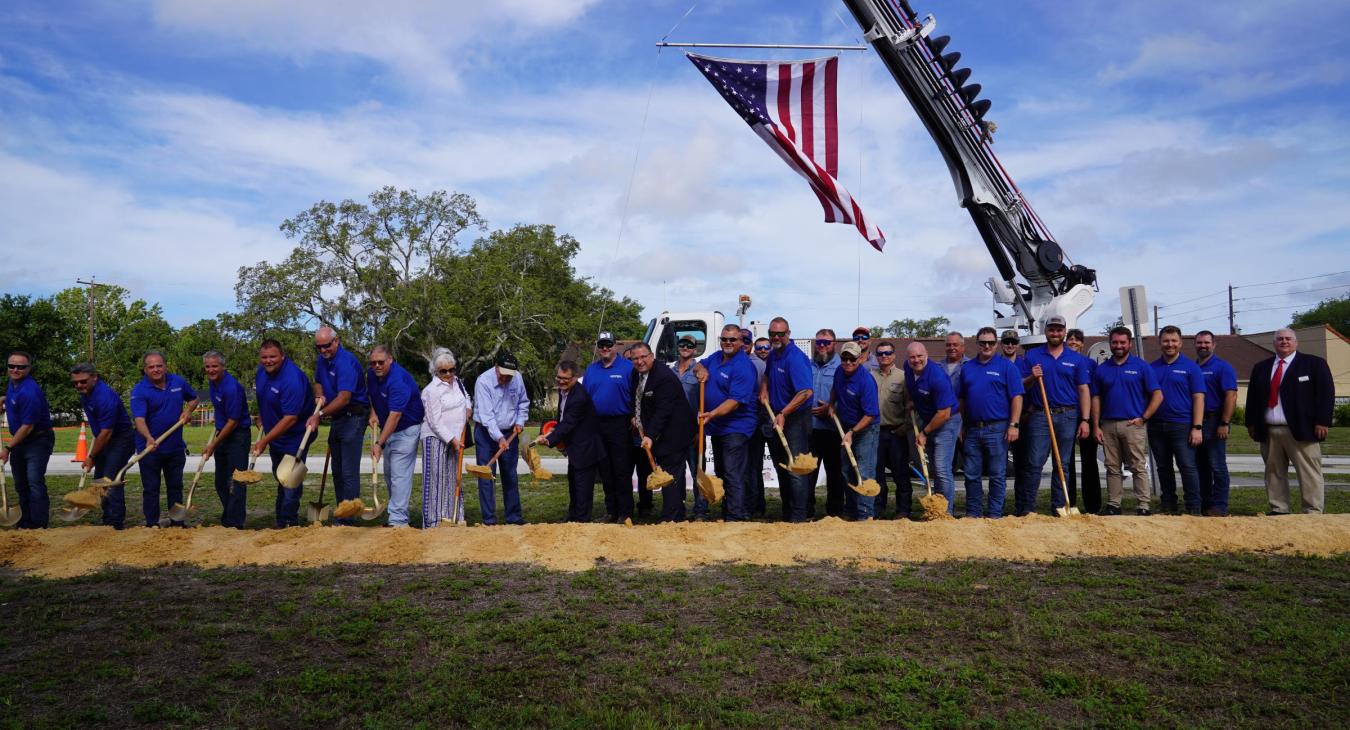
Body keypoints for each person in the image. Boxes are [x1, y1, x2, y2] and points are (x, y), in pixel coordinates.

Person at [1244, 328, 1335, 515]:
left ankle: (1312, 509)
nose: (1284, 342)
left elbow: (1326, 395)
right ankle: (1279, 508)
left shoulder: (1313, 364)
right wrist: (1251, 423)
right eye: (1279, 339)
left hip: (1302, 429)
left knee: (1309, 473)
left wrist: (1323, 421)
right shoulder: (1261, 367)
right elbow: (1252, 398)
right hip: (1269, 430)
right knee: (1274, 472)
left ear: (1296, 342)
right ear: (1274, 343)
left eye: (1288, 339)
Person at [1019, 316, 1090, 516]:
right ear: (1046, 331)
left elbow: (1083, 390)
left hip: (1067, 415)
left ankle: (1059, 506)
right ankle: (1028, 509)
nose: (1055, 333)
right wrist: (1032, 376)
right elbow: (1021, 385)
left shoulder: (1076, 359)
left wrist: (1085, 420)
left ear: (1064, 332)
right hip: (1040, 416)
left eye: (1059, 330)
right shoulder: (1033, 356)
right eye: (1052, 329)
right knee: (1034, 463)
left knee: (1063, 464)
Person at [1091, 327, 1162, 515]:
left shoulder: (1141, 366)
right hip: (1108, 424)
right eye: (1115, 342)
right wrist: (1096, 425)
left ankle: (1143, 505)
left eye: (1123, 342)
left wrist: (1144, 418)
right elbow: (1096, 398)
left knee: (1138, 466)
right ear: (1110, 344)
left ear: (1129, 343)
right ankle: (1114, 504)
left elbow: (1157, 395)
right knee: (1112, 467)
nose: (1119, 346)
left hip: (1133, 424)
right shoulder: (1102, 369)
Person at [695, 324, 758, 521]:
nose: (727, 343)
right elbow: (698, 364)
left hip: (736, 426)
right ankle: (729, 510)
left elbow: (734, 402)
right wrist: (700, 370)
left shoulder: (744, 366)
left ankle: (736, 515)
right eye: (724, 339)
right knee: (722, 470)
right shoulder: (715, 357)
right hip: (717, 427)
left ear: (740, 342)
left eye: (732, 339)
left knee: (733, 472)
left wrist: (711, 414)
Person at [958, 327, 1024, 518]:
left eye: (990, 342)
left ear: (996, 344)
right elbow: (962, 398)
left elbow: (1017, 397)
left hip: (997, 428)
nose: (986, 346)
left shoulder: (1007, 367)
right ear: (977, 344)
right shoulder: (968, 368)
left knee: (997, 474)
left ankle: (995, 514)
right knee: (971, 474)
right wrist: (961, 425)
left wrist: (1014, 424)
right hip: (972, 428)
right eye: (982, 342)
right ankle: (974, 513)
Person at [130, 350, 199, 527]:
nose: (156, 369)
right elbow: (139, 419)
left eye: (159, 365)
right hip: (149, 448)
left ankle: (177, 523)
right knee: (151, 488)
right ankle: (152, 523)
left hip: (175, 447)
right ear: (145, 370)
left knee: (175, 487)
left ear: (165, 366)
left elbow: (193, 399)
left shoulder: (178, 382)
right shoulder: (139, 390)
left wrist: (187, 411)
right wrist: (148, 437)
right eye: (151, 367)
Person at [310, 326, 370, 526]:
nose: (323, 350)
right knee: (336, 468)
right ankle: (342, 512)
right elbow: (318, 380)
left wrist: (319, 414)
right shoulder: (322, 360)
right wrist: (319, 395)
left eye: (326, 345)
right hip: (338, 418)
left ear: (337, 341)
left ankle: (349, 518)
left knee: (348, 470)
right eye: (318, 347)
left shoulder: (346, 363)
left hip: (354, 416)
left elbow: (344, 398)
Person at [253, 339, 315, 528]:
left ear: (282, 356)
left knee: (290, 480)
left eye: (272, 357)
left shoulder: (291, 379)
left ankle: (289, 522)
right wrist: (262, 417)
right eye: (264, 357)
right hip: (276, 436)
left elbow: (290, 418)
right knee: (279, 477)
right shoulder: (261, 373)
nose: (268, 361)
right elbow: (263, 398)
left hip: (296, 436)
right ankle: (281, 518)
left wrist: (264, 440)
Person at [629, 342, 694, 522]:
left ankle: (672, 518)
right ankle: (675, 512)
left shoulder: (664, 377)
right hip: (657, 432)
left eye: (643, 357)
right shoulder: (636, 374)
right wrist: (634, 416)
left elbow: (663, 410)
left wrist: (650, 435)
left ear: (652, 356)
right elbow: (633, 397)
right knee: (666, 471)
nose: (640, 361)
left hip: (675, 432)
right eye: (635, 358)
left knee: (671, 473)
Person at [1148, 325, 1206, 515]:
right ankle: (1168, 504)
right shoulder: (1152, 368)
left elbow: (1199, 398)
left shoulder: (1191, 368)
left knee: (1187, 466)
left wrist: (1197, 427)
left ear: (1180, 343)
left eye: (1173, 341)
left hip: (1182, 425)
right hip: (1156, 425)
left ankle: (1193, 506)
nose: (1170, 344)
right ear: (1160, 343)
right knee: (1163, 468)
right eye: (1166, 341)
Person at [761, 317, 814, 522]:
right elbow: (767, 375)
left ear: (788, 334)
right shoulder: (774, 355)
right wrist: (764, 388)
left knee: (795, 469)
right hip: (777, 414)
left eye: (780, 334)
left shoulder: (795, 358)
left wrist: (784, 413)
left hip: (795, 418)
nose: (776, 337)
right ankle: (788, 512)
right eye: (772, 334)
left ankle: (799, 516)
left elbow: (805, 392)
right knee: (781, 465)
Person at [537, 361, 603, 521]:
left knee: (583, 490)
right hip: (574, 449)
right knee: (574, 486)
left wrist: (549, 439)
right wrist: (553, 430)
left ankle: (581, 522)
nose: (561, 381)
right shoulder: (564, 391)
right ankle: (572, 519)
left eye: (565, 378)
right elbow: (563, 419)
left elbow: (569, 423)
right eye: (559, 377)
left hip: (585, 449)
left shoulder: (579, 397)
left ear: (575, 377)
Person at [367, 345, 425, 528]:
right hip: (389, 428)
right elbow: (374, 396)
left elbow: (395, 416)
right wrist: (373, 413)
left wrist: (379, 443)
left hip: (407, 429)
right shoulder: (372, 374)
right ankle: (398, 516)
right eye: (373, 362)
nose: (376, 365)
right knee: (390, 474)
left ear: (390, 360)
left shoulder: (398, 380)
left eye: (381, 362)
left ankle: (398, 521)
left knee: (399, 475)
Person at [71, 363, 134, 529]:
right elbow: (101, 431)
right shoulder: (86, 394)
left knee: (110, 479)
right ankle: (108, 519)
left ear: (94, 377)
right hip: (105, 437)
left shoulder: (105, 397)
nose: (79, 385)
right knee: (100, 479)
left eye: (83, 381)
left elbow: (107, 432)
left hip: (121, 439)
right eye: (75, 383)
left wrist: (91, 456)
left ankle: (115, 523)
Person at [473, 351, 529, 525]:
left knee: (510, 475)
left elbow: (523, 402)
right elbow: (487, 416)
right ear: (496, 367)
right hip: (485, 433)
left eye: (509, 377)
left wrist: (520, 421)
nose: (506, 379)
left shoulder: (517, 378)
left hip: (509, 432)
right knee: (486, 476)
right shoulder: (483, 382)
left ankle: (513, 517)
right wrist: (498, 438)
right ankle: (489, 519)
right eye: (503, 375)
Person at [584, 331, 635, 523]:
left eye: (609, 344)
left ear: (616, 346)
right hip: (597, 424)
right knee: (605, 470)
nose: (605, 348)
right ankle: (611, 511)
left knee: (621, 470)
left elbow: (636, 396)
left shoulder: (628, 368)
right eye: (601, 345)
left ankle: (625, 512)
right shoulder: (591, 370)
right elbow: (586, 399)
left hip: (620, 424)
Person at [905, 341, 959, 515]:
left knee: (942, 469)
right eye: (912, 357)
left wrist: (924, 433)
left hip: (946, 421)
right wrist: (912, 400)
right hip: (929, 419)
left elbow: (944, 413)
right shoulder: (908, 367)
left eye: (920, 356)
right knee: (933, 468)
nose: (916, 360)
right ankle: (935, 507)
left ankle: (945, 513)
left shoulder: (937, 377)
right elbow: (909, 384)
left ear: (927, 355)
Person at [2, 351, 53, 529]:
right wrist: (4, 400)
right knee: (21, 484)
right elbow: (14, 399)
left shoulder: (30, 391)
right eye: (11, 366)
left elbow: (28, 427)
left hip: (37, 440)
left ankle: (38, 526)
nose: (15, 369)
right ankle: (25, 522)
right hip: (20, 441)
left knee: (34, 481)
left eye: (21, 367)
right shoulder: (13, 383)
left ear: (29, 369)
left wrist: (8, 448)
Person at [421, 348, 470, 528]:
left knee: (453, 479)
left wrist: (468, 409)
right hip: (436, 438)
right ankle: (433, 522)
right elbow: (435, 422)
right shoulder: (431, 391)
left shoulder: (458, 383)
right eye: (444, 371)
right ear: (436, 371)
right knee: (436, 480)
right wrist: (453, 440)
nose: (449, 374)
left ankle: (455, 517)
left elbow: (466, 399)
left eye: (451, 370)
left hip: (456, 438)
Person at [830, 342, 880, 519]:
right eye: (845, 358)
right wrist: (831, 404)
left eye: (852, 358)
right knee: (847, 470)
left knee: (864, 472)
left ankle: (865, 515)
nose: (848, 362)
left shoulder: (866, 381)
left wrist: (852, 432)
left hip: (866, 429)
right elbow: (835, 389)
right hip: (845, 426)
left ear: (860, 358)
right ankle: (850, 512)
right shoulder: (839, 372)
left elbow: (870, 414)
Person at [201, 351, 251, 529]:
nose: (211, 370)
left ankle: (235, 523)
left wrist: (213, 445)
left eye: (215, 366)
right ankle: (230, 517)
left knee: (237, 481)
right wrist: (215, 440)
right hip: (222, 433)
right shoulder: (213, 383)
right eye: (208, 366)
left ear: (223, 366)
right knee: (221, 481)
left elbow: (233, 421)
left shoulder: (231, 387)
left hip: (238, 436)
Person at [1194, 330, 1238, 516]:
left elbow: (1231, 395)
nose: (1203, 346)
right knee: (1200, 466)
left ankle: (1220, 505)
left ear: (1214, 344)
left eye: (1206, 342)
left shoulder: (1222, 367)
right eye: (1199, 343)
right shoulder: (1193, 366)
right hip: (1195, 423)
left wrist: (1225, 422)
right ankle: (1205, 503)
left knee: (1217, 465)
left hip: (1214, 421)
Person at [869, 340, 912, 519]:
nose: (884, 356)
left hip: (896, 432)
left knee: (900, 474)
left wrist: (906, 427)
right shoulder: (869, 376)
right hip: (875, 433)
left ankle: (903, 511)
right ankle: (878, 510)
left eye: (887, 353)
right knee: (876, 474)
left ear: (894, 355)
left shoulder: (903, 377)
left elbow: (910, 406)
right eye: (880, 354)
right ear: (876, 356)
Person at [1064, 329, 1102, 514]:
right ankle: (1068, 502)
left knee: (1089, 461)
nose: (1073, 342)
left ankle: (1092, 505)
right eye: (1070, 339)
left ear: (1082, 344)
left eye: (1077, 340)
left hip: (1085, 417)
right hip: (1066, 416)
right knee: (1066, 461)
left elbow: (1094, 394)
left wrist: (1092, 422)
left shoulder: (1089, 364)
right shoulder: (1060, 360)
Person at [809, 329, 846, 518]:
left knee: (835, 474)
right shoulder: (808, 365)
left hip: (833, 429)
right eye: (819, 342)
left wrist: (832, 408)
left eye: (827, 342)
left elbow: (848, 396)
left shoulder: (843, 366)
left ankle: (835, 513)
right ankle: (808, 511)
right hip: (811, 429)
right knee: (809, 473)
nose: (822, 345)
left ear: (834, 343)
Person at [673, 336, 709, 519]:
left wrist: (698, 429)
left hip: (695, 430)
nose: (685, 347)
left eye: (690, 345)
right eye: (682, 344)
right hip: (674, 432)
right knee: (676, 473)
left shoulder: (700, 371)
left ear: (695, 350)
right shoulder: (670, 371)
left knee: (697, 470)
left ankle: (701, 510)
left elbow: (705, 402)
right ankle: (678, 509)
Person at [999, 329, 1030, 506]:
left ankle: (1021, 505)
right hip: (1001, 420)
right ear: (1001, 344)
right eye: (1006, 342)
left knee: (1022, 464)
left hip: (1022, 420)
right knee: (999, 466)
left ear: (1018, 344)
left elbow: (1030, 390)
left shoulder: (1024, 363)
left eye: (1013, 342)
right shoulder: (996, 363)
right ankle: (999, 505)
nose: (1010, 345)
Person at [744, 334, 771, 517]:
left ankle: (755, 506)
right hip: (742, 422)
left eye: (747, 341)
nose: (762, 351)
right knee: (745, 467)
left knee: (753, 466)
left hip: (756, 421)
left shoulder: (760, 365)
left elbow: (763, 395)